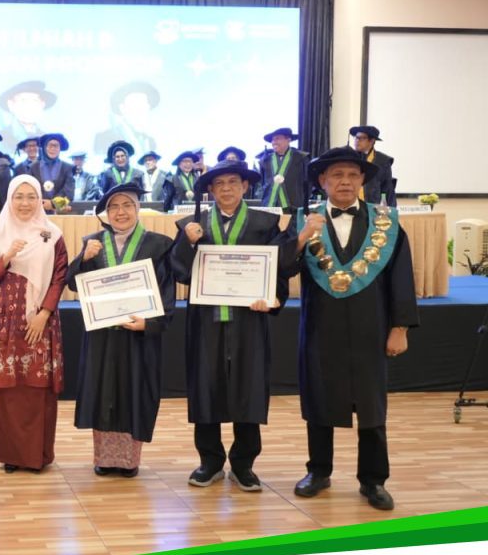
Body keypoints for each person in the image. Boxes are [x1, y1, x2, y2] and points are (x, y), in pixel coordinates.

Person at [289, 146, 418, 510]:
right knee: (318, 399)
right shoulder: (304, 220)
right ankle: (318, 471)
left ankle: (373, 480)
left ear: (362, 180)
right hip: (320, 326)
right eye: (336, 175)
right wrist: (300, 238)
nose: (344, 182)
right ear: (322, 181)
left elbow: (401, 278)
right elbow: (283, 268)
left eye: (352, 175)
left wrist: (400, 327)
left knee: (372, 406)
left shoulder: (386, 223)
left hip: (370, 326)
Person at [170, 160, 294, 492]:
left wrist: (274, 298)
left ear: (245, 186)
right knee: (205, 386)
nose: (226, 188)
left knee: (248, 386)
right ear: (210, 190)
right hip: (205, 320)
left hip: (248, 320)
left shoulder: (265, 224)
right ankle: (209, 461)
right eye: (219, 183)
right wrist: (187, 243)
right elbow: (180, 272)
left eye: (233, 182)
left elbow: (279, 267)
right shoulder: (192, 224)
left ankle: (243, 464)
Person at [66, 184, 176, 477]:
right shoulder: (93, 243)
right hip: (102, 336)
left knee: (134, 392)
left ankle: (129, 461)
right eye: (113, 207)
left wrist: (151, 324)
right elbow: (73, 283)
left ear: (138, 208)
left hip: (138, 334)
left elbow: (167, 291)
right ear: (106, 213)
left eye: (127, 205)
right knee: (103, 392)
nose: (120, 212)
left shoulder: (159, 245)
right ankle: (104, 458)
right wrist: (83, 259)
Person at [0, 176, 67, 472]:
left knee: (36, 385)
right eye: (19, 196)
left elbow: (59, 277)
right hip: (5, 319)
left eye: (31, 196)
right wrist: (7, 255)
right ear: (9, 199)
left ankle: (36, 455)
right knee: (9, 386)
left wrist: (44, 314)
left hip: (40, 320)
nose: (25, 203)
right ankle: (12, 455)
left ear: (40, 199)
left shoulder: (52, 234)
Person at [93, 81, 160, 155]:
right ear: (122, 108)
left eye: (145, 104)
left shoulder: (149, 142)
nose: (142, 109)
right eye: (136, 104)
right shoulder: (103, 138)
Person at [258, 127, 310, 211]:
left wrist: (305, 208)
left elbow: (307, 184)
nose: (274, 142)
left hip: (293, 207)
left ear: (288, 139)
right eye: (272, 140)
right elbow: (262, 184)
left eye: (277, 139)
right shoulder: (265, 160)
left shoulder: (301, 158)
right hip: (269, 207)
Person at [0, 80, 56, 151]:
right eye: (23, 100)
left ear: (42, 105)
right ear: (11, 105)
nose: (30, 106)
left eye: (35, 101)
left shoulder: (47, 140)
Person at [350, 125, 396, 206]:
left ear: (371, 141)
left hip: (372, 207)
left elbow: (387, 189)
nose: (357, 141)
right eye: (356, 137)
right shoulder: (349, 158)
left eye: (361, 138)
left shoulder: (383, 161)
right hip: (350, 205)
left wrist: (391, 210)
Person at [30, 133, 75, 212]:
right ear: (44, 147)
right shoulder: (34, 167)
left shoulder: (67, 167)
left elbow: (69, 194)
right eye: (50, 145)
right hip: (37, 211)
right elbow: (30, 190)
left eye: (56, 146)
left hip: (59, 212)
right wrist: (42, 204)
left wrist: (53, 204)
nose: (53, 149)